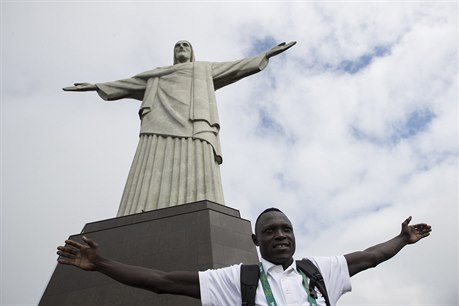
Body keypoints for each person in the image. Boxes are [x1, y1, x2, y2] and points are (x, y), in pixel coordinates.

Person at [63, 41, 296, 216]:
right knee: (150, 169)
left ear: (192, 52)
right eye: (177, 46)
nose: (181, 47)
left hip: (196, 124)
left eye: (185, 45)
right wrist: (95, 86)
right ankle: (138, 213)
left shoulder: (203, 69)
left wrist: (265, 55)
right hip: (157, 126)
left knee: (199, 168)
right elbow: (126, 84)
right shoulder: (157, 74)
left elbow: (235, 67)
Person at [57, 208, 432, 306]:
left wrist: (401, 238)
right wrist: (101, 264)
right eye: (271, 231)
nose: (280, 235)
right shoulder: (239, 280)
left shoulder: (320, 272)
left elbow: (370, 257)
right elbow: (163, 282)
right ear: (255, 239)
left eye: (286, 229)